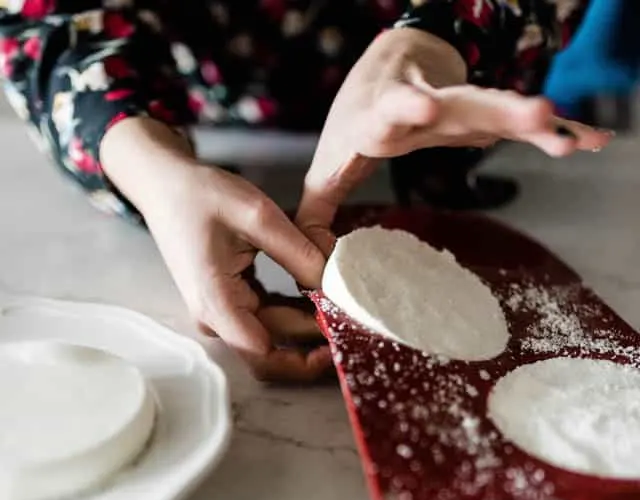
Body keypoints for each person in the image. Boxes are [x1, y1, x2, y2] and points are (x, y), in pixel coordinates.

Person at [0, 1, 611, 383]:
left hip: (449, 87)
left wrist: (430, 40)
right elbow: (47, 21)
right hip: (205, 94)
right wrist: (149, 166)